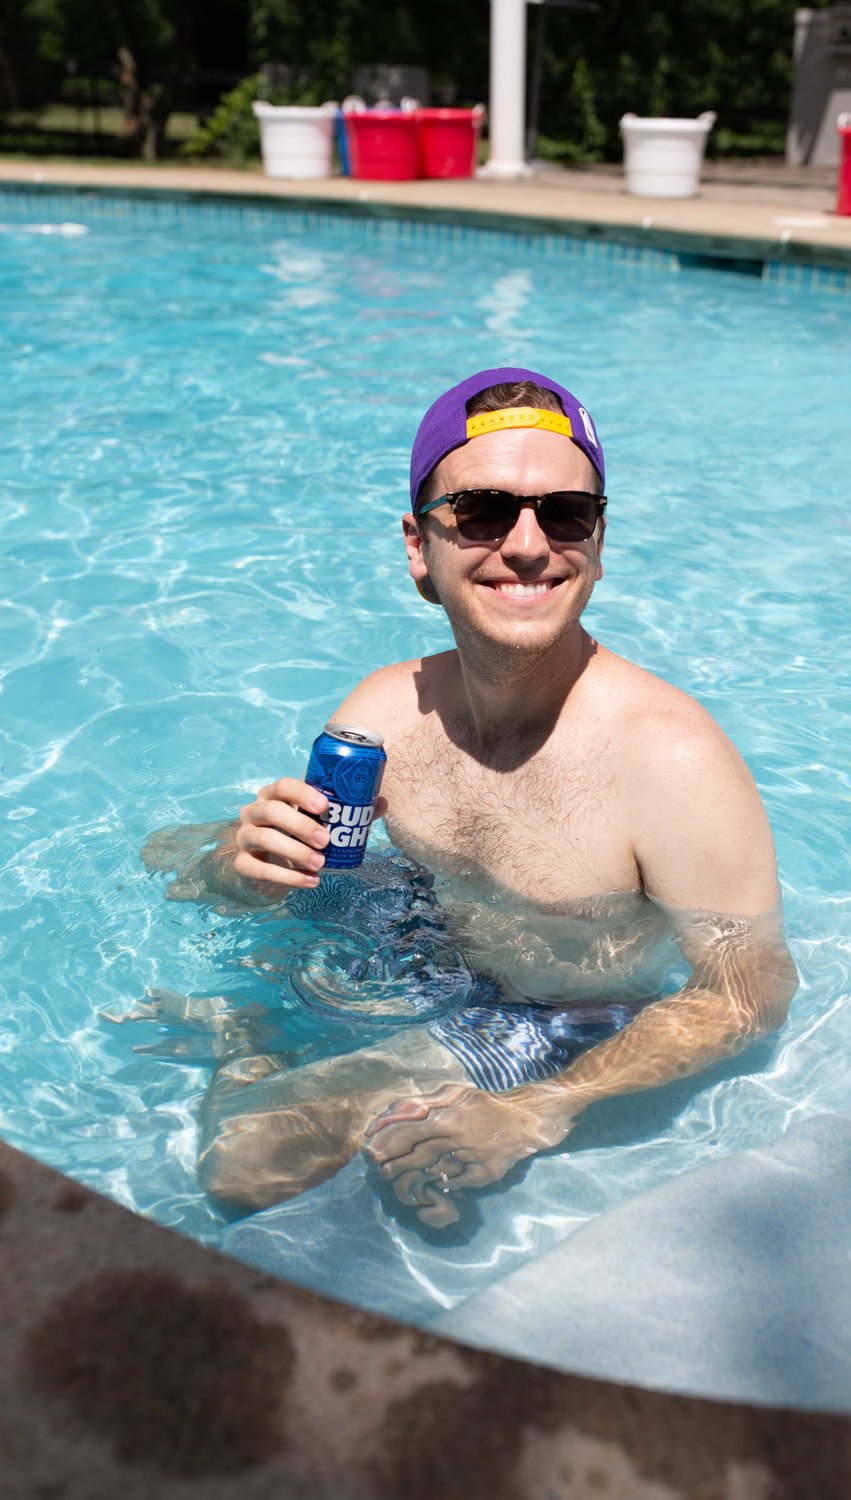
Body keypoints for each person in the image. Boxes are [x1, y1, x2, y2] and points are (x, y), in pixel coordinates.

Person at [181, 366, 798, 1229]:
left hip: (562, 1015)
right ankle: (249, 1033)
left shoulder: (669, 758)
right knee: (173, 850)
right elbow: (292, 878)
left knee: (251, 1153)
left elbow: (748, 992)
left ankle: (242, 1043)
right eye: (480, 511)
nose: (527, 545)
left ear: (598, 540)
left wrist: (538, 1109)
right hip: (429, 950)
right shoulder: (386, 713)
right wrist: (237, 869)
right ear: (417, 547)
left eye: (566, 513)